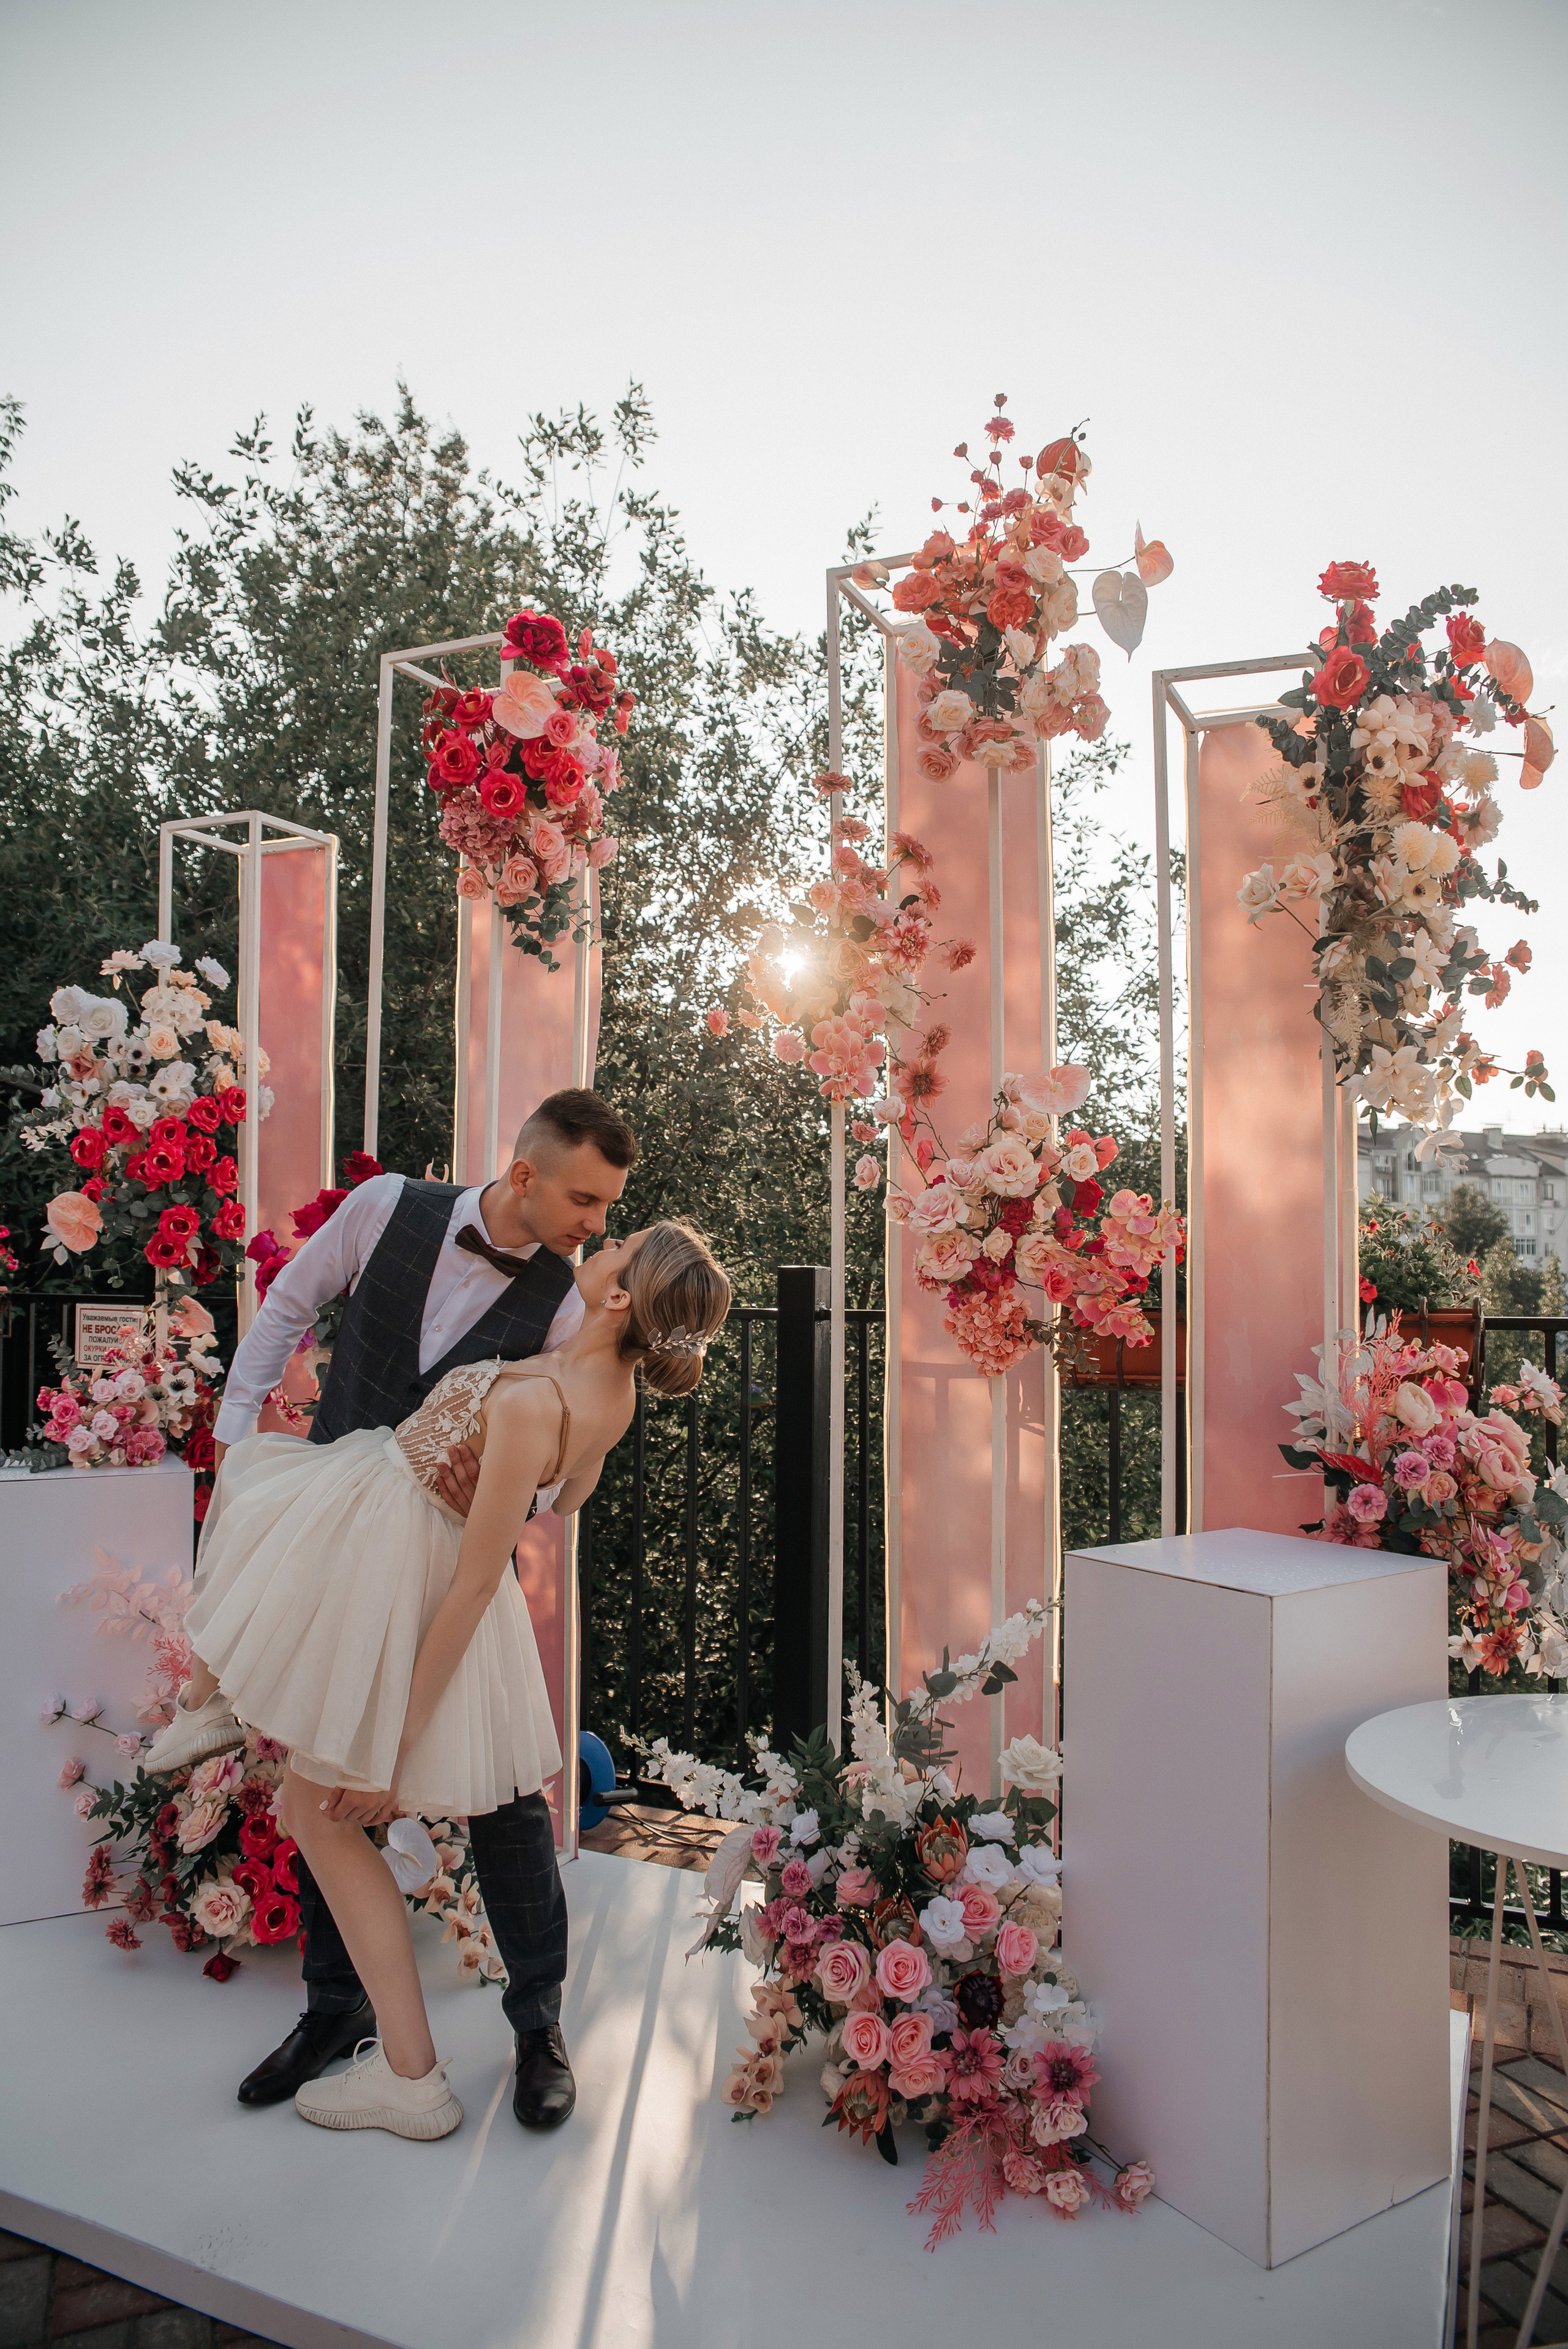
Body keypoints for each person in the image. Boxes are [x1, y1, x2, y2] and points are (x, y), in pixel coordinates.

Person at [151, 1216, 729, 2140]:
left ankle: (413, 2075)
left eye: (616, 1246)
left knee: (321, 1806)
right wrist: (518, 1476)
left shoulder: (543, 1399)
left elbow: (471, 1585)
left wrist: (393, 1743)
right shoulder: (608, 1391)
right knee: (307, 1782)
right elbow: (571, 1494)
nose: (600, 1245)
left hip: (406, 1574)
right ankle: (209, 1709)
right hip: (379, 1512)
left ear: (621, 1296)